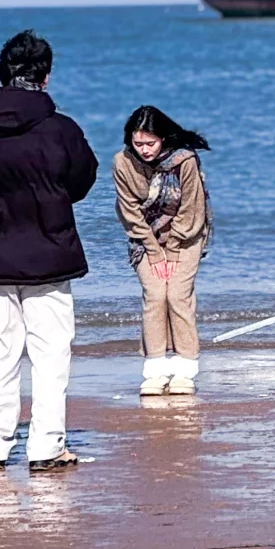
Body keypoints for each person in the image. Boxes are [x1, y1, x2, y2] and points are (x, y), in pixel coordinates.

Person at [0, 30, 98, 472]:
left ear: (1, 75)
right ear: (45, 77)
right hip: (48, 255)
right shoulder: (60, 129)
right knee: (51, 355)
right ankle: (46, 447)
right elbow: (82, 180)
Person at [113, 106, 211, 396]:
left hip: (187, 235)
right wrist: (155, 253)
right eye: (138, 143)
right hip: (145, 237)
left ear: (163, 139)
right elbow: (129, 212)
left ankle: (185, 369)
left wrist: (174, 250)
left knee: (177, 295)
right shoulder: (122, 163)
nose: (144, 150)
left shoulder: (185, 160)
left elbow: (192, 209)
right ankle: (154, 369)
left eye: (150, 143)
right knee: (156, 294)